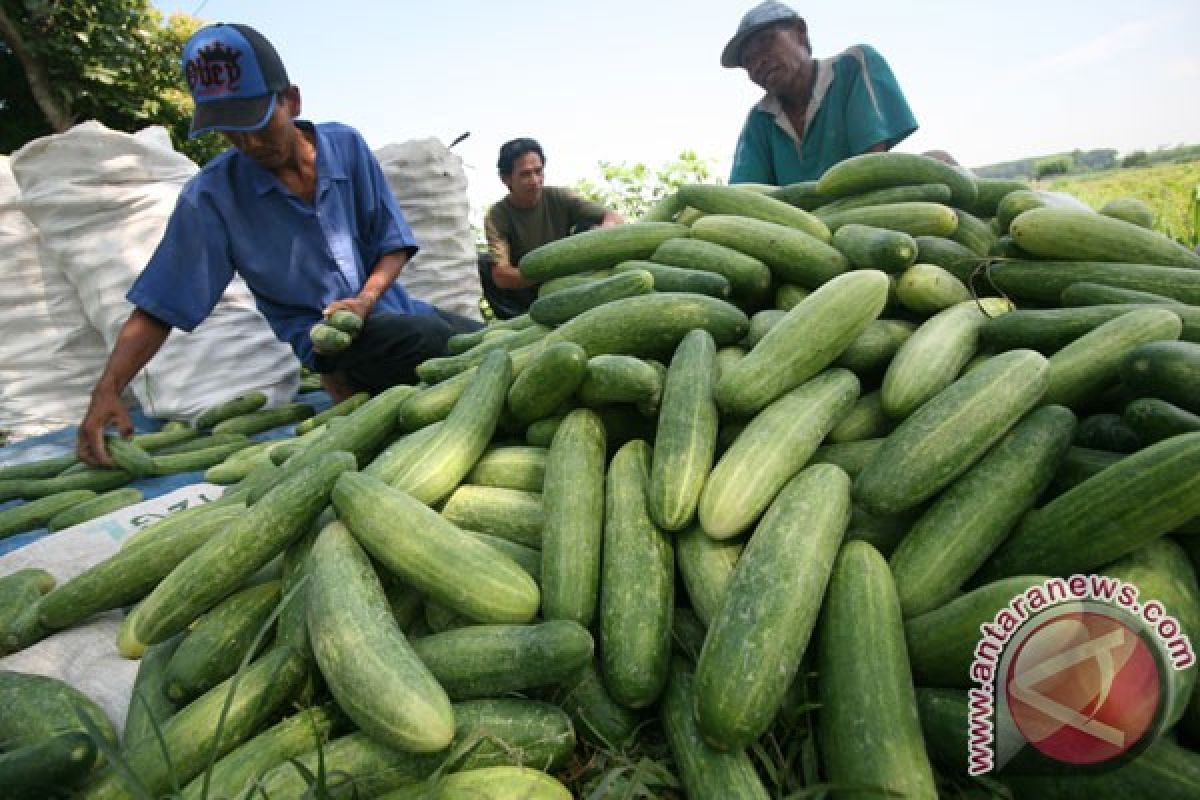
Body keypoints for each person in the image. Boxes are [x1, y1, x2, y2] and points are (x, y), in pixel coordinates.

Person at [77, 22, 480, 466]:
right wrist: (108, 389)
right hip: (333, 348)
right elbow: (160, 304)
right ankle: (347, 384)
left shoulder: (344, 146)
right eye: (231, 131)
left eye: (257, 123)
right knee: (428, 343)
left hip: (398, 312)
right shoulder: (213, 197)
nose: (248, 142)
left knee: (490, 343)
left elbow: (393, 243)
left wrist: (366, 299)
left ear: (290, 100)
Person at [723, 2, 918, 186]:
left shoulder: (853, 66)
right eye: (748, 61)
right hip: (795, 221)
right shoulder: (759, 119)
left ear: (801, 32)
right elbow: (744, 191)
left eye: (766, 42)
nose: (758, 63)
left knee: (940, 158)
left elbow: (872, 168)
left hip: (859, 206)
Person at [481, 138, 624, 318]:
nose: (535, 180)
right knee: (484, 265)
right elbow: (501, 275)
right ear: (506, 179)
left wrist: (604, 231)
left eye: (538, 171)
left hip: (571, 280)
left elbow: (614, 217)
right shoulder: (497, 215)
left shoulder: (559, 197)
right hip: (526, 289)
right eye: (525, 174)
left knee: (588, 227)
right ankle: (520, 321)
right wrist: (549, 273)